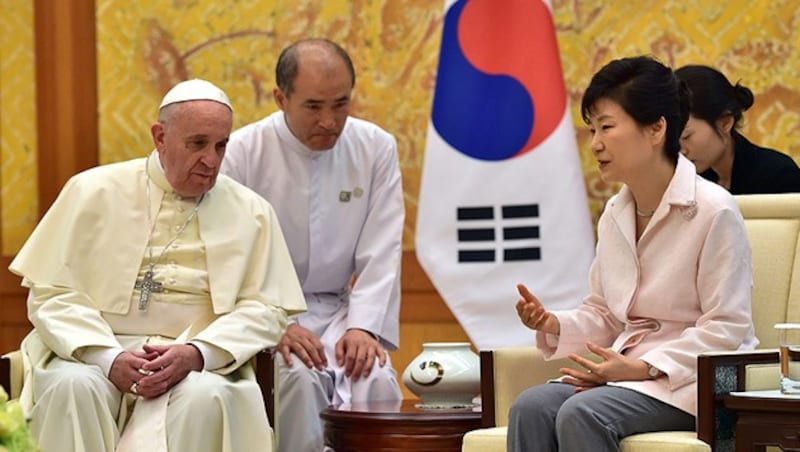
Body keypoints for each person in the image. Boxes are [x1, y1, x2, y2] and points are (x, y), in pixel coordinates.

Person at [9, 79, 307, 452]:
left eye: (221, 145)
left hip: (199, 359)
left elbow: (266, 309)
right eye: (197, 143)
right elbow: (52, 293)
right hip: (91, 349)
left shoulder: (252, 211)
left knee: (206, 397)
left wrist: (199, 353)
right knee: (74, 387)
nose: (211, 160)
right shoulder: (92, 191)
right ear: (160, 136)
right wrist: (107, 357)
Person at [507, 56, 757, 451]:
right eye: (591, 129)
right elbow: (604, 313)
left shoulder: (715, 210)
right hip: (629, 374)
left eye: (606, 127)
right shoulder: (615, 213)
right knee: (531, 406)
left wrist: (641, 367)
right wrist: (552, 322)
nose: (596, 144)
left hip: (694, 379)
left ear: (657, 128)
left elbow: (726, 330)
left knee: (583, 411)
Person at [221, 38, 404, 452]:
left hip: (341, 311)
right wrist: (272, 325)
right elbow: (228, 258)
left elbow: (383, 247)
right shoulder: (242, 152)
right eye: (314, 106)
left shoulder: (375, 148)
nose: (329, 121)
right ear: (280, 98)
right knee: (298, 378)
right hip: (270, 312)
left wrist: (364, 326)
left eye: (341, 104)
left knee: (372, 374)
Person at [675, 64, 800, 194]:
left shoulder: (779, 175)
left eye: (686, 136)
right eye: (673, 138)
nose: (681, 150)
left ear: (725, 123)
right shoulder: (691, 182)